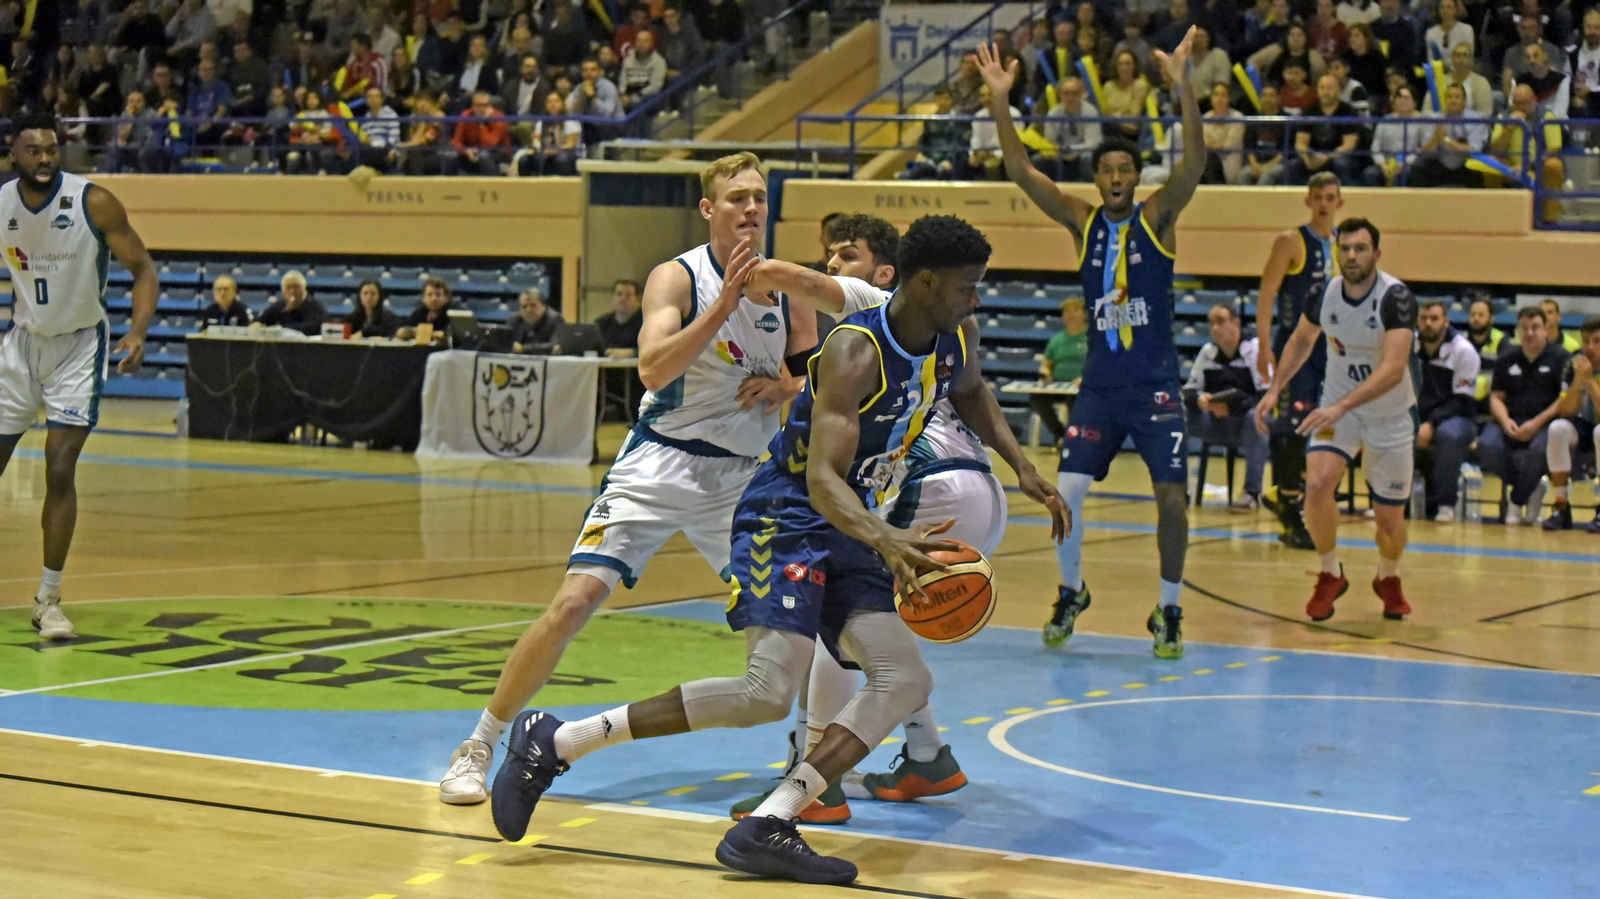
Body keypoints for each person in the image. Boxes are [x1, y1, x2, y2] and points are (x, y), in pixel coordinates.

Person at [490, 215, 1065, 885]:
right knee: (767, 693)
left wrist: (1023, 469)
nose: (977, 300)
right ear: (927, 282)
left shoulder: (954, 335)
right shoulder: (856, 351)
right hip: (788, 516)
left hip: (851, 522)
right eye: (967, 288)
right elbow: (821, 479)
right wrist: (889, 538)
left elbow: (971, 391)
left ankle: (772, 820)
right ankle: (557, 740)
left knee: (905, 676)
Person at [436, 153, 818, 809]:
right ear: (709, 210)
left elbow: (810, 375)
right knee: (573, 603)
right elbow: (651, 369)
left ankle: (807, 758)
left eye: (758, 196)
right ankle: (480, 742)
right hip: (659, 462)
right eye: (736, 198)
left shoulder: (789, 289)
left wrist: (785, 384)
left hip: (740, 480)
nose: (751, 208)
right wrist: (724, 301)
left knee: (793, 627)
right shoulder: (677, 277)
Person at [727, 212, 1042, 823]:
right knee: (886, 652)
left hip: (928, 487)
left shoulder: (881, 309)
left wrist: (748, 265)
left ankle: (818, 784)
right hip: (971, 484)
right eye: (831, 255)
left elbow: (807, 288)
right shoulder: (909, 326)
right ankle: (925, 754)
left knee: (839, 633)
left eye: (846, 255)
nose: (834, 267)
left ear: (888, 269)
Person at [978, 29, 1205, 659]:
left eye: (1124, 168)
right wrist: (1001, 99)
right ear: (1097, 177)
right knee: (1066, 495)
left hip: (1156, 386)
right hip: (1101, 390)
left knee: (1171, 499)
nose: (1114, 176)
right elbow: (1021, 169)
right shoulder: (1082, 223)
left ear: (1135, 176)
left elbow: (1194, 164)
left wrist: (1182, 84)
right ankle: (1072, 590)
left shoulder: (1156, 218)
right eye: (1105, 169)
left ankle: (1169, 607)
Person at [0, 115, 159, 641]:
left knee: (59, 464)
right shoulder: (2, 205)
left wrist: (136, 333)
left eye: (51, 150)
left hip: (78, 347)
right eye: (32, 151)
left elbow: (144, 270)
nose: (44, 159)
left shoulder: (95, 202)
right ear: (13, 154)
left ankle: (49, 598)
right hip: (21, 347)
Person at [1253, 219, 1415, 622]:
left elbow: (1394, 369)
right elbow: (1302, 340)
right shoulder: (1322, 294)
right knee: (1319, 482)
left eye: (1361, 249)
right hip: (1337, 409)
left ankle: (1388, 576)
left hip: (1389, 415)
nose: (1352, 256)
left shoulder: (1395, 297)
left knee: (1389, 523)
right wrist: (1274, 389)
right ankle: (1329, 573)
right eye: (1345, 249)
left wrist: (1342, 406)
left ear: (1377, 254)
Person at [1255, 173, 1342, 549]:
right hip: (1295, 346)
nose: (1324, 203)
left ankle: (1292, 496)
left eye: (1330, 197)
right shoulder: (1291, 241)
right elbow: (1266, 293)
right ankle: (1289, 510)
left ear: (1340, 202)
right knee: (1291, 425)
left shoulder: (1345, 245)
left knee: (1323, 426)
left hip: (1331, 350)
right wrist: (1262, 345)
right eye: (1318, 197)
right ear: (1308, 200)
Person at [1482, 307, 1571, 525]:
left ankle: (1516, 502)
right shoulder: (1507, 357)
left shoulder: (1561, 357)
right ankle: (1530, 487)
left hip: (1545, 423)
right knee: (1487, 446)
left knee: (1539, 452)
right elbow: (1496, 397)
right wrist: (1505, 422)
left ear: (1546, 329)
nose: (1529, 333)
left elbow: (1563, 400)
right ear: (1518, 330)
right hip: (1511, 421)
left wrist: (1536, 423)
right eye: (1524, 328)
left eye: (1535, 328)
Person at [1185, 304, 1269, 510]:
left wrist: (1232, 409)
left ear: (1236, 323)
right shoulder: (1207, 353)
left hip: (1246, 422)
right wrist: (1199, 400)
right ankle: (1177, 487)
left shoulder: (1255, 350)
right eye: (1211, 323)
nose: (1214, 328)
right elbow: (1188, 390)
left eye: (1220, 321)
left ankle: (1251, 492)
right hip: (1215, 422)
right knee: (1178, 416)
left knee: (1255, 417)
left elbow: (1264, 395)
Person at [1414, 298, 1480, 521]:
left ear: (1445, 322)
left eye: (1434, 318)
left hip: (1459, 416)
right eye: (1423, 319)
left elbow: (1461, 400)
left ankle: (1445, 504)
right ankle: (1388, 499)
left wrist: (1430, 424)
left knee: (1448, 436)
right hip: (1418, 414)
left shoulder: (1464, 351)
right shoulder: (1408, 346)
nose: (1428, 323)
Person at [1543, 316, 1600, 532]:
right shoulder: (1573, 363)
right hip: (1584, 427)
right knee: (1557, 429)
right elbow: (1566, 411)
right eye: (1586, 341)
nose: (1590, 348)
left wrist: (1590, 382)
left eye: (1597, 341)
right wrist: (1578, 380)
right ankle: (1561, 505)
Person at [1031, 298, 1089, 446]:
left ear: (1084, 314)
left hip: (1083, 386)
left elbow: (1100, 364)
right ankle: (1061, 434)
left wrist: (1085, 377)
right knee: (1037, 399)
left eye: (1075, 310)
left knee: (1074, 401)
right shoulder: (1056, 340)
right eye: (1067, 311)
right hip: (1059, 385)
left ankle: (1076, 439)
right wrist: (1045, 373)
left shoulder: (1092, 337)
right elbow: (1047, 364)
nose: (1071, 315)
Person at [485, 288, 563, 354]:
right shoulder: (514, 320)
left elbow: (555, 346)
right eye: (524, 307)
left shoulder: (555, 319)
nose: (528, 310)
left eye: (533, 305)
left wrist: (523, 348)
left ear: (544, 306)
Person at [397, 277, 464, 344]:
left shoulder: (455, 312)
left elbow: (456, 334)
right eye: (430, 295)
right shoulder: (420, 312)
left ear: (446, 298)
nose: (434, 299)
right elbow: (401, 332)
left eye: (438, 295)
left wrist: (426, 333)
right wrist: (416, 331)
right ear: (423, 298)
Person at [259, 271, 328, 335]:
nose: (292, 291)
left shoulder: (316, 307)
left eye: (296, 287)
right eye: (288, 287)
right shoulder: (279, 306)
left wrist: (283, 329)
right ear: (283, 291)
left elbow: (316, 326)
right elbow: (260, 322)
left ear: (304, 288)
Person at [597, 279, 643, 355]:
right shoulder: (601, 323)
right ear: (613, 298)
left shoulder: (646, 324)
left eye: (628, 295)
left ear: (637, 300)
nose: (623, 299)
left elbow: (654, 350)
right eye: (619, 294)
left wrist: (631, 353)